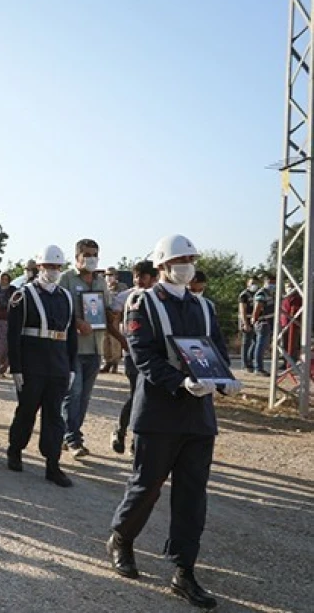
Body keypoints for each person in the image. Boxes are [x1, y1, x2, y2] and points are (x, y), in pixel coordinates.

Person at [107, 234, 239, 610]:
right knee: (146, 487)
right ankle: (122, 538)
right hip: (159, 412)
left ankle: (184, 570)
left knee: (193, 496)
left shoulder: (205, 306)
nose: (188, 265)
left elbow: (213, 352)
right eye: (181, 258)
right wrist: (180, 382)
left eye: (191, 258)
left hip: (198, 418)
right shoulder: (142, 303)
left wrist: (224, 381)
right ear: (163, 265)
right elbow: (142, 356)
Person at [5, 245, 76, 488]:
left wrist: (72, 366)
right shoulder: (23, 296)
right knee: (26, 411)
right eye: (49, 266)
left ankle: (52, 464)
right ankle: (15, 450)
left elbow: (71, 335)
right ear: (39, 267)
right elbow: (13, 335)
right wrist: (16, 368)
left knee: (54, 416)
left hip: (58, 365)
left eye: (57, 267)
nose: (53, 271)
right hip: (32, 365)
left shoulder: (65, 296)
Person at [58, 238, 109, 458]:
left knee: (85, 396)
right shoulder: (66, 279)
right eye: (87, 254)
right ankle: (73, 439)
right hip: (73, 348)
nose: (91, 258)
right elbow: (58, 308)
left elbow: (105, 309)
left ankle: (66, 433)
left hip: (95, 347)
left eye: (95, 254)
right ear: (77, 257)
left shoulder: (101, 282)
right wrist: (77, 322)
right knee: (73, 393)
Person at [109, 260, 157, 455]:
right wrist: (123, 341)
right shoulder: (125, 297)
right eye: (136, 276)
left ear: (153, 278)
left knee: (150, 398)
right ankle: (122, 432)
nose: (139, 280)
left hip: (154, 355)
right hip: (133, 355)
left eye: (143, 277)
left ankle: (138, 438)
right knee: (137, 395)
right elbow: (112, 322)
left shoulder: (158, 297)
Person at [251, 274, 277, 377]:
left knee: (262, 346)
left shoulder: (270, 293)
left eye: (274, 283)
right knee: (260, 346)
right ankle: (258, 368)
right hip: (263, 322)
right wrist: (255, 319)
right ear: (265, 282)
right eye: (271, 282)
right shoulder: (262, 293)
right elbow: (257, 307)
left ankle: (258, 367)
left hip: (268, 322)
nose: (273, 285)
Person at [237, 277, 258, 373]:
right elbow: (242, 310)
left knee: (256, 342)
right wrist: (245, 323)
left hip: (256, 320)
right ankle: (245, 364)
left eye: (256, 283)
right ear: (247, 284)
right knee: (246, 342)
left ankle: (250, 360)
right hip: (246, 319)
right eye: (252, 283)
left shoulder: (258, 293)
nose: (254, 285)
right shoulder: (244, 295)